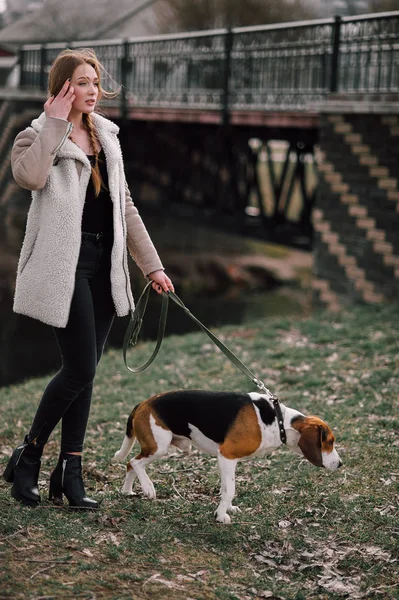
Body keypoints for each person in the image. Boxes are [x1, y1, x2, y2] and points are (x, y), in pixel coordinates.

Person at [2, 48, 174, 509]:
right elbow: (30, 178)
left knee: (87, 372)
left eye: (95, 82)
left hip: (105, 264)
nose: (92, 91)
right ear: (62, 88)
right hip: (64, 266)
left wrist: (151, 265)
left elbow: (126, 206)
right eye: (81, 82)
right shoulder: (35, 136)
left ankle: (70, 472)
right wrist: (55, 123)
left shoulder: (108, 138)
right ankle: (31, 454)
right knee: (80, 367)